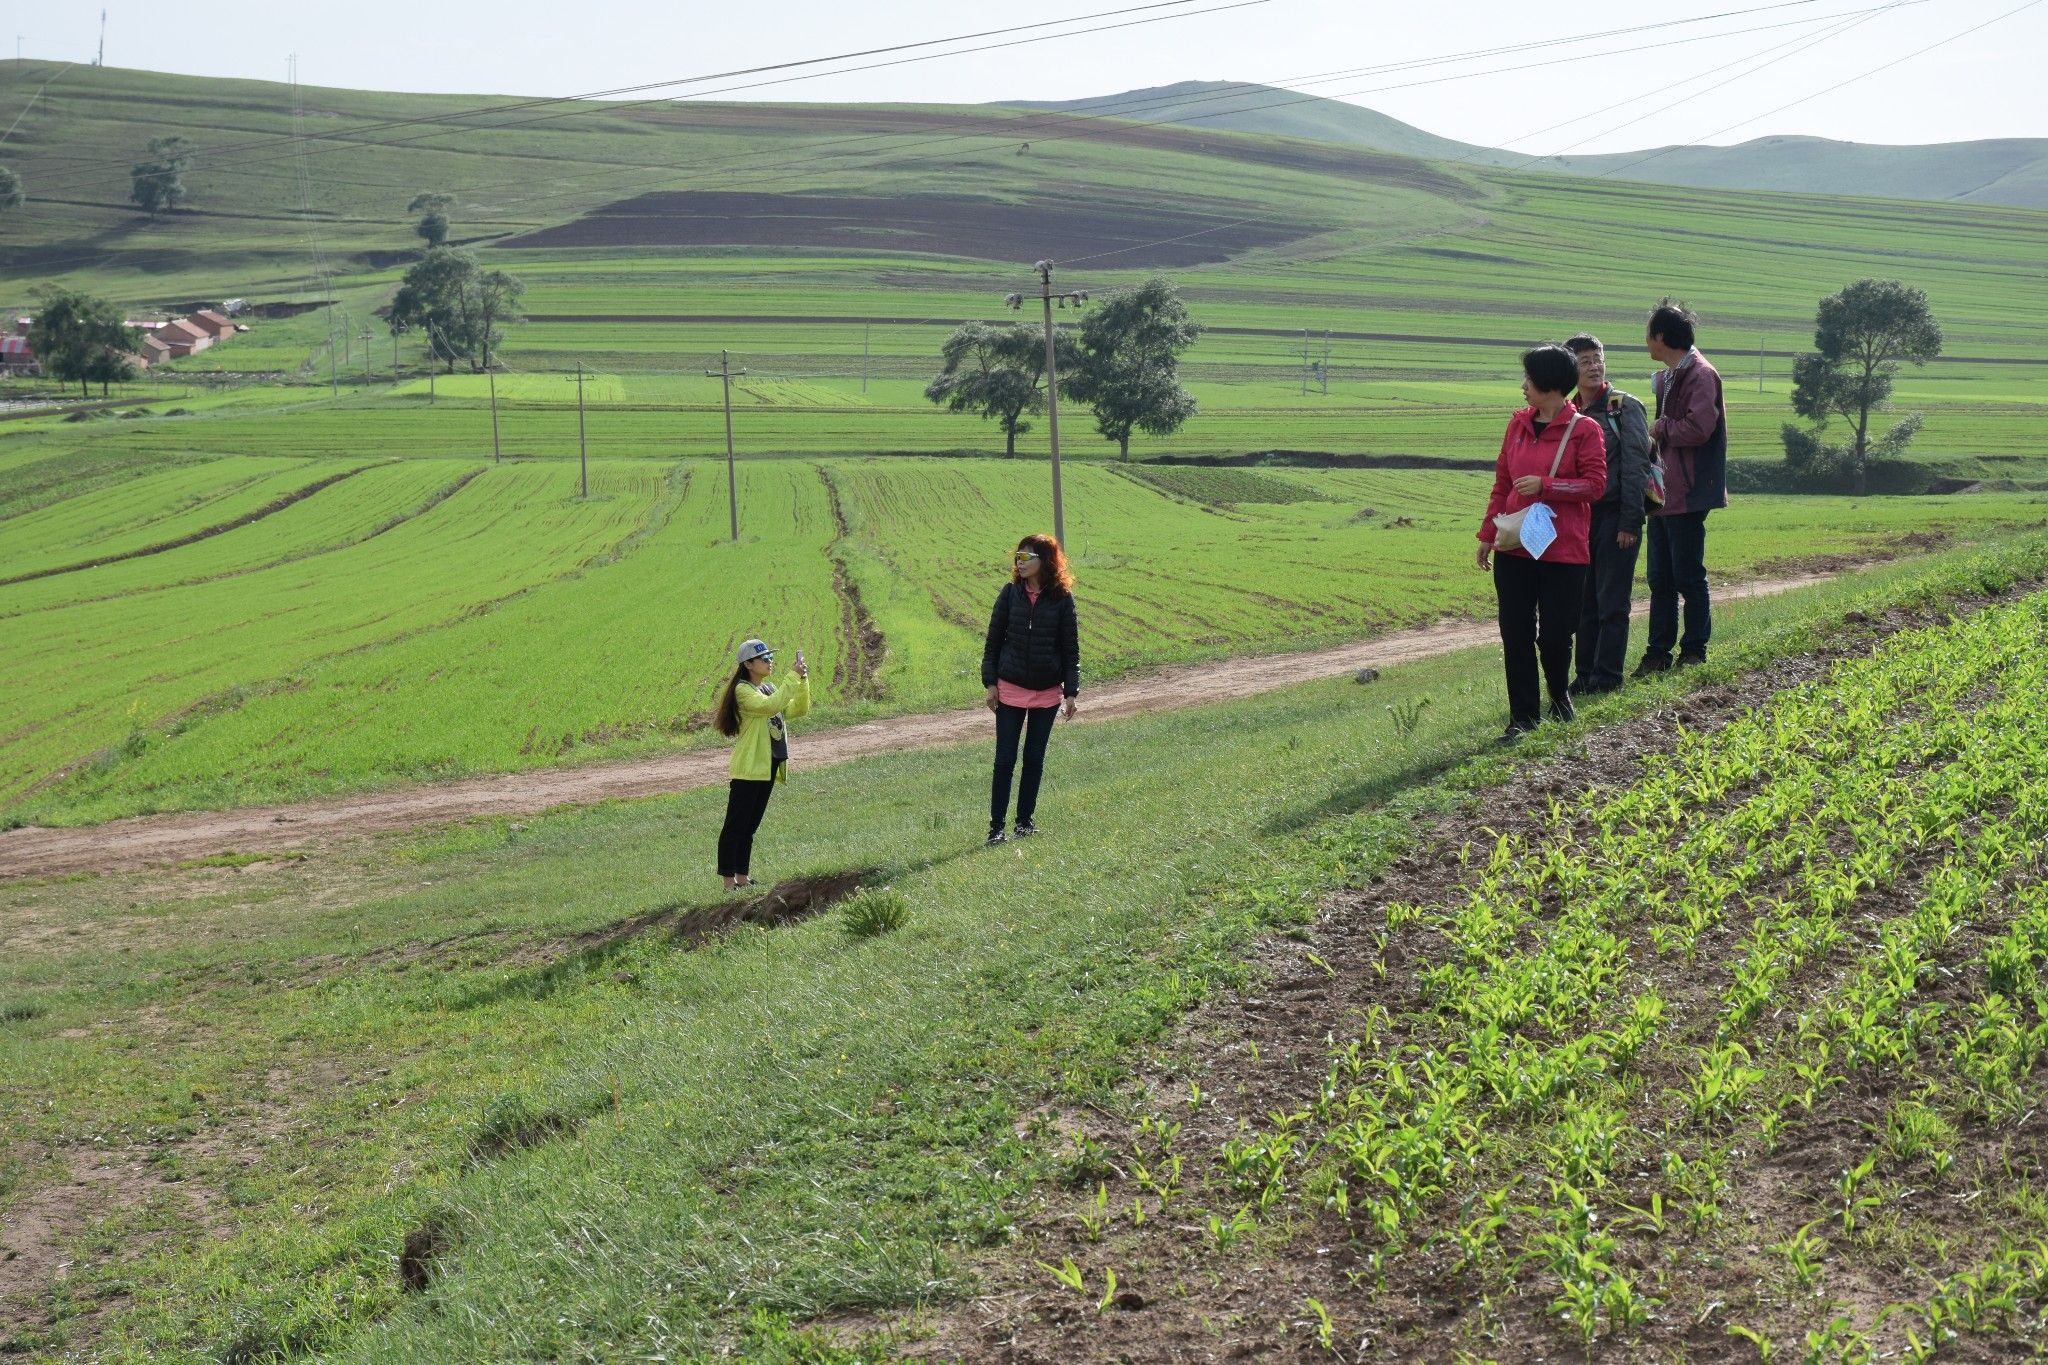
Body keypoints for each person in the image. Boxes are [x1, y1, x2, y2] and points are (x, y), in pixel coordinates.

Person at [1476, 345, 1609, 742]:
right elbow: (1502, 483)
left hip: (1563, 549)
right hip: (1515, 546)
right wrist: (1487, 535)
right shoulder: (1516, 425)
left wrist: (1546, 486)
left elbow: (1596, 486)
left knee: (1554, 635)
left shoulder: (1585, 430)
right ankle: (1523, 718)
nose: (1523, 387)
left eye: (1529, 380)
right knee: (1514, 631)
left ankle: (1559, 695)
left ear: (1549, 385)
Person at [1636, 298, 1728, 675]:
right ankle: (1658, 653)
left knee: (1688, 575)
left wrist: (1661, 428)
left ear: (1660, 336)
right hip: (1663, 494)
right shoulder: (1673, 374)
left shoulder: (1701, 374)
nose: (1646, 342)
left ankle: (1693, 650)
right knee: (1660, 580)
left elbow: (1699, 428)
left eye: (1648, 335)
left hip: (1687, 492)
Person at [1562, 334, 1651, 695]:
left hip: (1616, 517)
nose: (1594, 366)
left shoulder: (1624, 406)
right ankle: (1585, 676)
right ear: (1572, 369)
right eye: (1585, 361)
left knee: (1612, 603)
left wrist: (1631, 520)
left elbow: (1636, 466)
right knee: (1584, 603)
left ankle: (1608, 677)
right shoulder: (1569, 412)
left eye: (1598, 358)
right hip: (1581, 520)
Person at [980, 534, 1080, 845]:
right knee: (1004, 760)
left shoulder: (1063, 600)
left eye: (1028, 557)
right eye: (1018, 557)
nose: (1020, 563)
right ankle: (996, 829)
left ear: (1045, 562)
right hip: (1010, 688)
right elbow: (993, 641)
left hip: (1047, 692)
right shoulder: (1010, 594)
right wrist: (990, 683)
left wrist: (1071, 692)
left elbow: (1070, 650)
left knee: (1034, 759)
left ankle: (1024, 823)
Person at [711, 638, 810, 891]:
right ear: (748, 664)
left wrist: (801, 681)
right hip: (749, 768)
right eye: (764, 659)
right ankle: (728, 882)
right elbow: (770, 707)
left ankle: (743, 878)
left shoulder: (768, 689)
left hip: (768, 764)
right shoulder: (743, 691)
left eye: (770, 657)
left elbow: (798, 709)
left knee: (750, 826)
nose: (770, 662)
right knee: (735, 826)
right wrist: (791, 677)